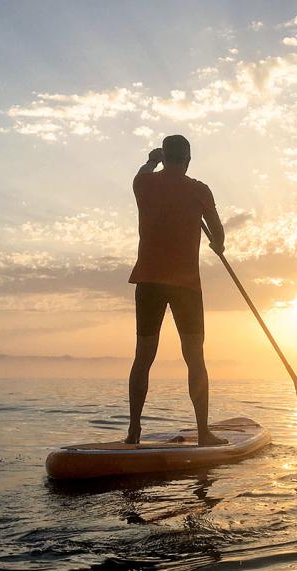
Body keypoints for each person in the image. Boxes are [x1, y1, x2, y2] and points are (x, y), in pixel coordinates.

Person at [126, 134, 227, 446]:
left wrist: (151, 159)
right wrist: (216, 243)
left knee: (143, 357)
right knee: (195, 358)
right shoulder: (199, 190)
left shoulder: (143, 184)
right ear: (188, 160)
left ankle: (133, 432)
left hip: (149, 282)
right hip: (186, 286)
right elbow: (219, 235)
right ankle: (204, 433)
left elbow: (144, 170)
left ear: (164, 156)